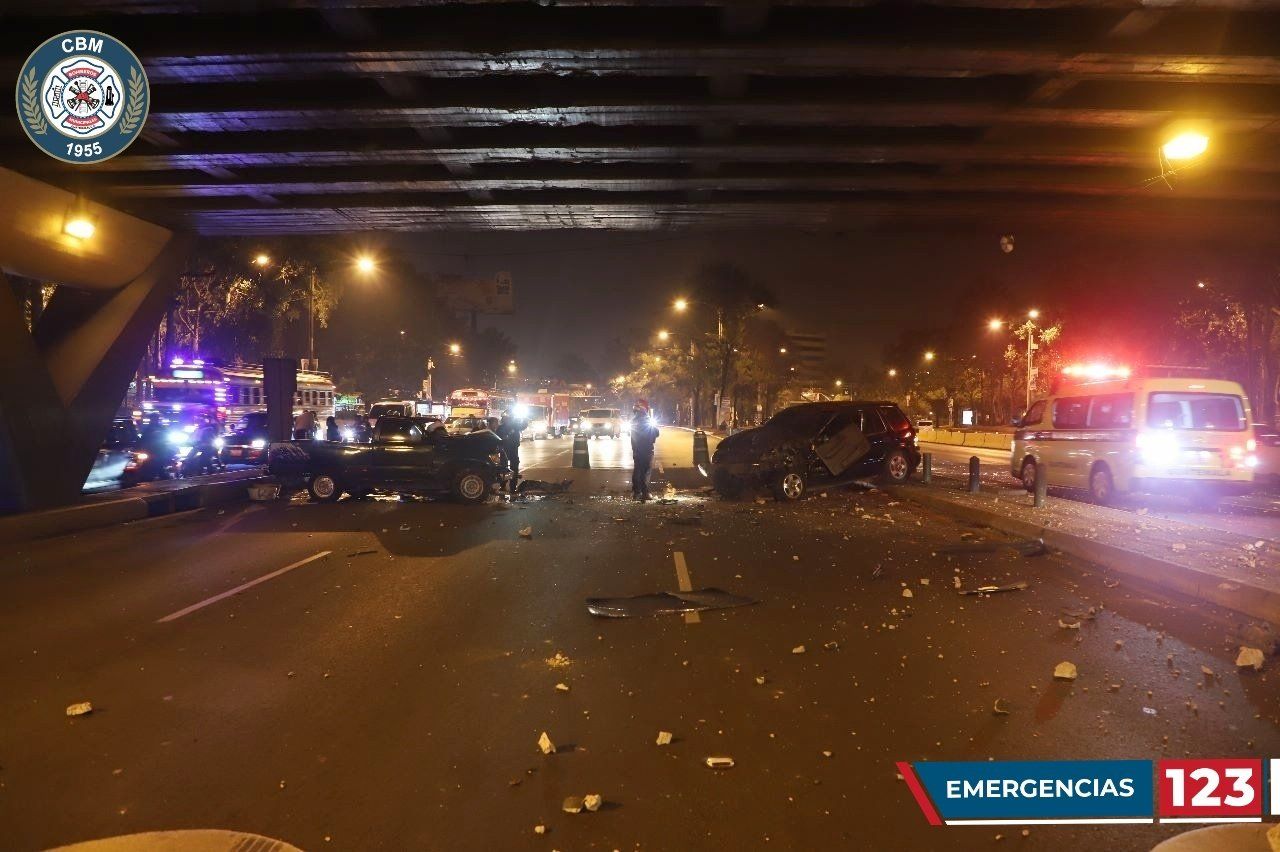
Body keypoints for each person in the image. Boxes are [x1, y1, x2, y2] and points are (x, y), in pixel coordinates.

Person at [629, 400, 659, 501]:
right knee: (645, 471)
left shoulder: (633, 422)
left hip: (637, 450)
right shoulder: (647, 420)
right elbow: (656, 433)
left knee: (638, 470)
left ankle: (636, 492)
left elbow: (633, 437)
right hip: (646, 449)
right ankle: (644, 493)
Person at [495, 412, 524, 490]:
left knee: (512, 468)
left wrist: (524, 419)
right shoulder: (502, 428)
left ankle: (511, 486)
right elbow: (498, 437)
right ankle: (504, 485)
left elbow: (523, 426)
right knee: (504, 468)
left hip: (512, 449)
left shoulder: (515, 426)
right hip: (505, 450)